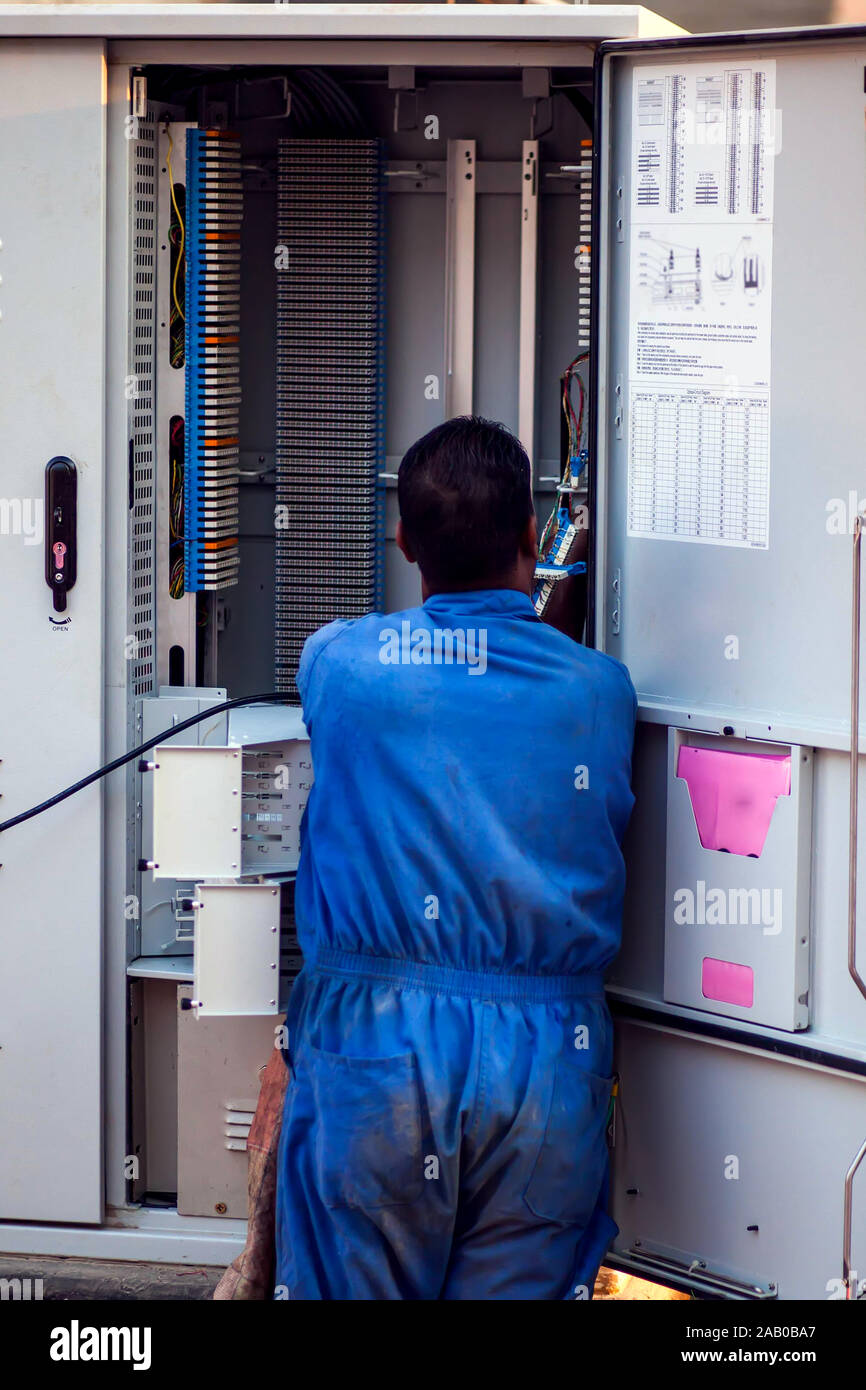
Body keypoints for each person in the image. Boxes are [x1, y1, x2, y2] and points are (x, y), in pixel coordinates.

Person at [274, 416, 636, 1300]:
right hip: (547, 1065)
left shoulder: (342, 664)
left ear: (402, 542)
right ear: (527, 535)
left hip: (378, 1053)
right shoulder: (600, 692)